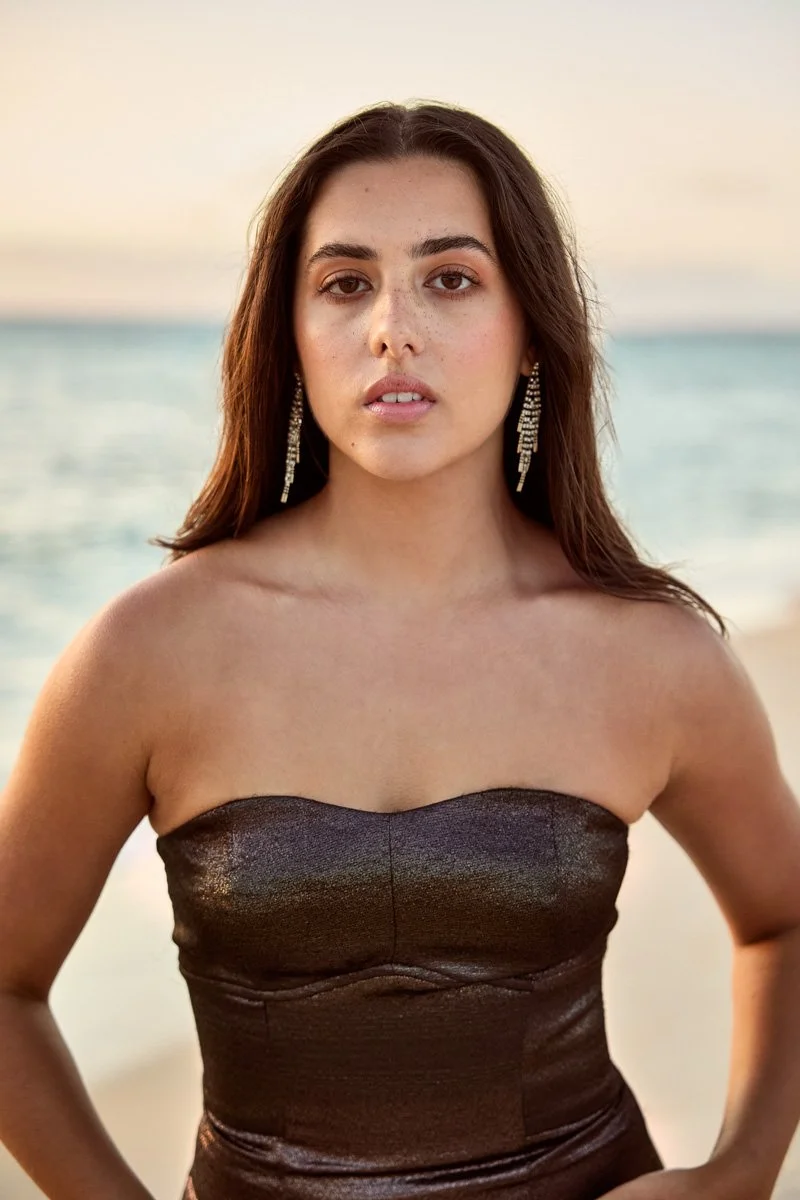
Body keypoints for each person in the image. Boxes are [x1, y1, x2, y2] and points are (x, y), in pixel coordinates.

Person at [1, 99, 799, 1200]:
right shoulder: (148, 652)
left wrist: (743, 1171)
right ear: (289, 334)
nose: (391, 328)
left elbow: (781, 918)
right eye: (343, 284)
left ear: (529, 330)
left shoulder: (652, 657)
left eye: (449, 278)